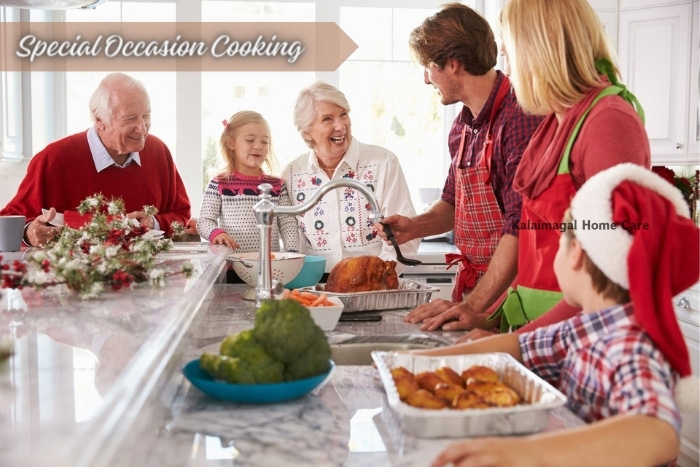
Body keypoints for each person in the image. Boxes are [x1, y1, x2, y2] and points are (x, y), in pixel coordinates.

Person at [417, 164, 699, 467]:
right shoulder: (585, 328)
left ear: (575, 252)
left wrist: (525, 454)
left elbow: (657, 433)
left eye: (558, 243)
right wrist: (417, 363)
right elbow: (516, 347)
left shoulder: (631, 344)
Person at [406, 0, 651, 334]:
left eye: (510, 52)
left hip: (581, 342)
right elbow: (534, 241)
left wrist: (512, 342)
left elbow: (612, 281)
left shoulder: (609, 121)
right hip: (538, 331)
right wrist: (492, 317)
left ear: (541, 48)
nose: (505, 64)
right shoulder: (554, 124)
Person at [379, 3, 543, 329]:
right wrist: (415, 227)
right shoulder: (463, 127)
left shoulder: (519, 116)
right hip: (475, 288)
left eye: (428, 66)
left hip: (513, 291)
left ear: (453, 65)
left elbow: (522, 227)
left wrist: (474, 305)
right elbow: (454, 203)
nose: (426, 79)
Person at [0, 72, 191, 247]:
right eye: (130, 119)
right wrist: (29, 233)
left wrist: (154, 222)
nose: (142, 128)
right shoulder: (55, 158)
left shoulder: (159, 152)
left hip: (146, 274)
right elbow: (8, 221)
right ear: (99, 120)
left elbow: (181, 213)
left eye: (146, 116)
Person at [281, 80, 419, 274]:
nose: (340, 126)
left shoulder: (383, 163)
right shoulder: (293, 174)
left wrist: (376, 277)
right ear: (307, 132)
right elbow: (291, 238)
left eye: (343, 114)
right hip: (314, 286)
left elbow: (406, 236)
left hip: (374, 282)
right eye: (327, 119)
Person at [196, 110, 300, 253]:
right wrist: (217, 233)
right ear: (231, 143)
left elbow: (288, 223)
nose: (258, 146)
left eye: (265, 141)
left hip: (269, 267)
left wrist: (292, 253)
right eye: (250, 140)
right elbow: (204, 221)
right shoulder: (219, 183)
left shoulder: (277, 186)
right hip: (231, 266)